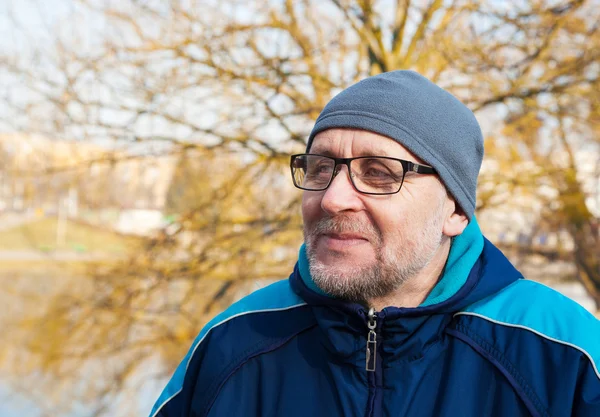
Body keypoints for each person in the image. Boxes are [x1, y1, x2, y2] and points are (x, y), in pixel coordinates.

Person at [149, 71, 600, 417]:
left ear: (456, 211)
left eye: (379, 173)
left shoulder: (565, 352)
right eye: (320, 168)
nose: (332, 197)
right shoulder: (232, 343)